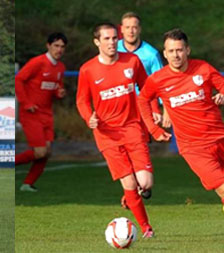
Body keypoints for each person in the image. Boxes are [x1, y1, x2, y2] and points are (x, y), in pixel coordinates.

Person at [135, 29, 224, 245]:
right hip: (193, 148)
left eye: (180, 50)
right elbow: (142, 100)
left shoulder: (203, 69)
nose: (176, 55)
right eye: (171, 51)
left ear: (187, 50)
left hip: (220, 138)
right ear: (165, 53)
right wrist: (153, 128)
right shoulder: (158, 80)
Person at [76, 22, 159, 238]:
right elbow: (82, 101)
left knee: (146, 183)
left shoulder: (132, 61)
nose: (112, 42)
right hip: (107, 135)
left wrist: (154, 110)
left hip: (133, 128)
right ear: (97, 42)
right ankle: (146, 228)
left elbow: (147, 88)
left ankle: (129, 197)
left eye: (115, 38)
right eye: (106, 39)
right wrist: (89, 117)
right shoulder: (88, 69)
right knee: (130, 182)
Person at [116, 11, 177, 152]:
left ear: (140, 29)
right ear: (121, 29)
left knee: (139, 147)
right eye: (127, 27)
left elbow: (162, 83)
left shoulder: (151, 54)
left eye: (135, 27)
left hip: (142, 106)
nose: (131, 31)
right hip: (119, 105)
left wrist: (164, 109)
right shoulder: (113, 49)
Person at [14, 32, 67, 192]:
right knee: (40, 151)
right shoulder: (37, 62)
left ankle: (27, 184)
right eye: (56, 45)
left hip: (46, 114)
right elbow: (18, 80)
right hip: (31, 113)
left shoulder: (60, 67)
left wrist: (59, 93)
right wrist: (26, 102)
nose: (59, 49)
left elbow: (55, 88)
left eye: (62, 47)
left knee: (46, 152)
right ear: (48, 45)